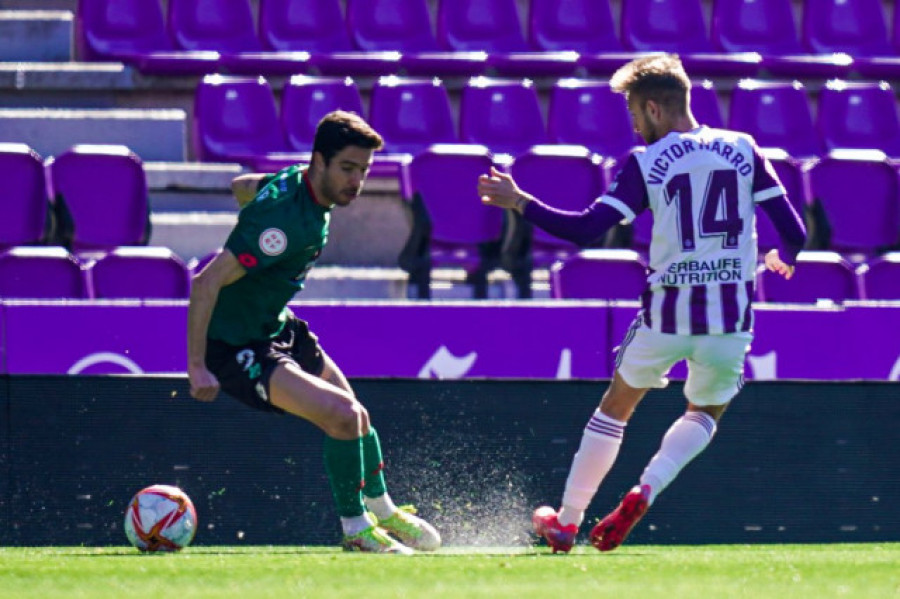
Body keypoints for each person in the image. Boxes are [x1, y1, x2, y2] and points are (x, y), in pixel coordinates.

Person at [477, 54, 806, 553]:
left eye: (633, 113)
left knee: (616, 408)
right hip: (729, 317)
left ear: (653, 108)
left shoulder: (647, 163)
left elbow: (586, 227)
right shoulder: (743, 147)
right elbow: (795, 229)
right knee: (705, 412)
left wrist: (520, 201)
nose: (633, 126)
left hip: (665, 315)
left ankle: (567, 520)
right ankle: (646, 488)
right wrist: (787, 255)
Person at [187, 110, 440, 554]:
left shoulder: (300, 186)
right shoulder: (283, 221)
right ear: (318, 161)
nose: (356, 181)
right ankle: (355, 529)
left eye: (363, 170)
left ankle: (383, 509)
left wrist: (260, 203)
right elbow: (205, 282)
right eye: (347, 168)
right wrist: (197, 367)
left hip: (277, 325)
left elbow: (241, 186)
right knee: (340, 416)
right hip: (236, 344)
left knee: (356, 413)